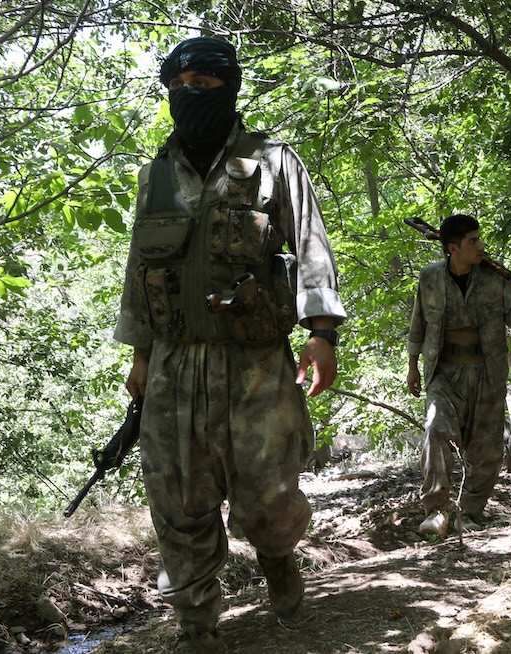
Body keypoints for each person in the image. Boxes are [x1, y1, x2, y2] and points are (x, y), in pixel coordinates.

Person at [113, 36, 346, 652]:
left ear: (231, 88)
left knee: (267, 499)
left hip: (255, 364)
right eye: (179, 82)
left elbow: (312, 250)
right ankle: (197, 629)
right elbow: (140, 270)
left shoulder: (273, 162)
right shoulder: (154, 175)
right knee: (178, 500)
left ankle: (276, 557)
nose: (190, 92)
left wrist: (321, 335)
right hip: (172, 362)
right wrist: (140, 355)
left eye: (205, 82)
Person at [406, 214, 511, 539]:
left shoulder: (494, 279)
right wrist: (411, 366)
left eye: (479, 239)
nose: (480, 246)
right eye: (472, 241)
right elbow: (418, 323)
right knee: (436, 431)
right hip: (443, 374)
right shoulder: (430, 278)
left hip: (486, 373)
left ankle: (470, 512)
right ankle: (436, 510)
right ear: (453, 248)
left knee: (488, 447)